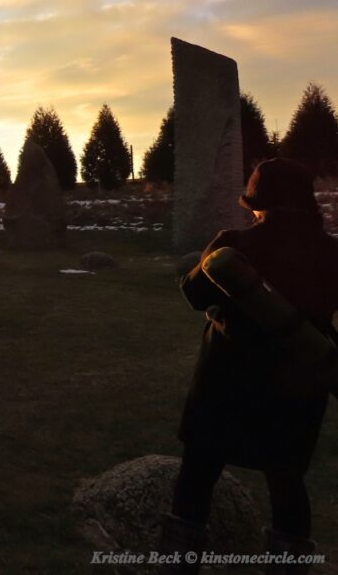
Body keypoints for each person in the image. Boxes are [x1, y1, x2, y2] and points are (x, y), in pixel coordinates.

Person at [161, 158, 338, 573]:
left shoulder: (232, 245)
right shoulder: (332, 252)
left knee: (198, 475)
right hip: (299, 383)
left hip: (226, 382)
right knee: (287, 480)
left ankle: (176, 566)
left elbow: (195, 296)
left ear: (259, 200)